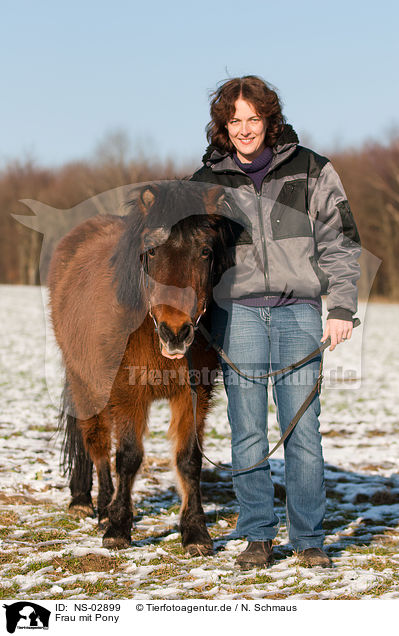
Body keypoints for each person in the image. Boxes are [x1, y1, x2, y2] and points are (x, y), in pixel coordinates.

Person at [190, 75, 361, 569]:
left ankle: (309, 539)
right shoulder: (206, 183)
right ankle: (258, 535)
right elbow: (188, 255)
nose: (245, 129)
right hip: (237, 314)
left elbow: (339, 242)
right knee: (246, 430)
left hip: (299, 313)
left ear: (269, 118)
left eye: (253, 118)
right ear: (223, 126)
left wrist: (342, 307)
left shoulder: (312, 169)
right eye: (234, 120)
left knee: (302, 428)